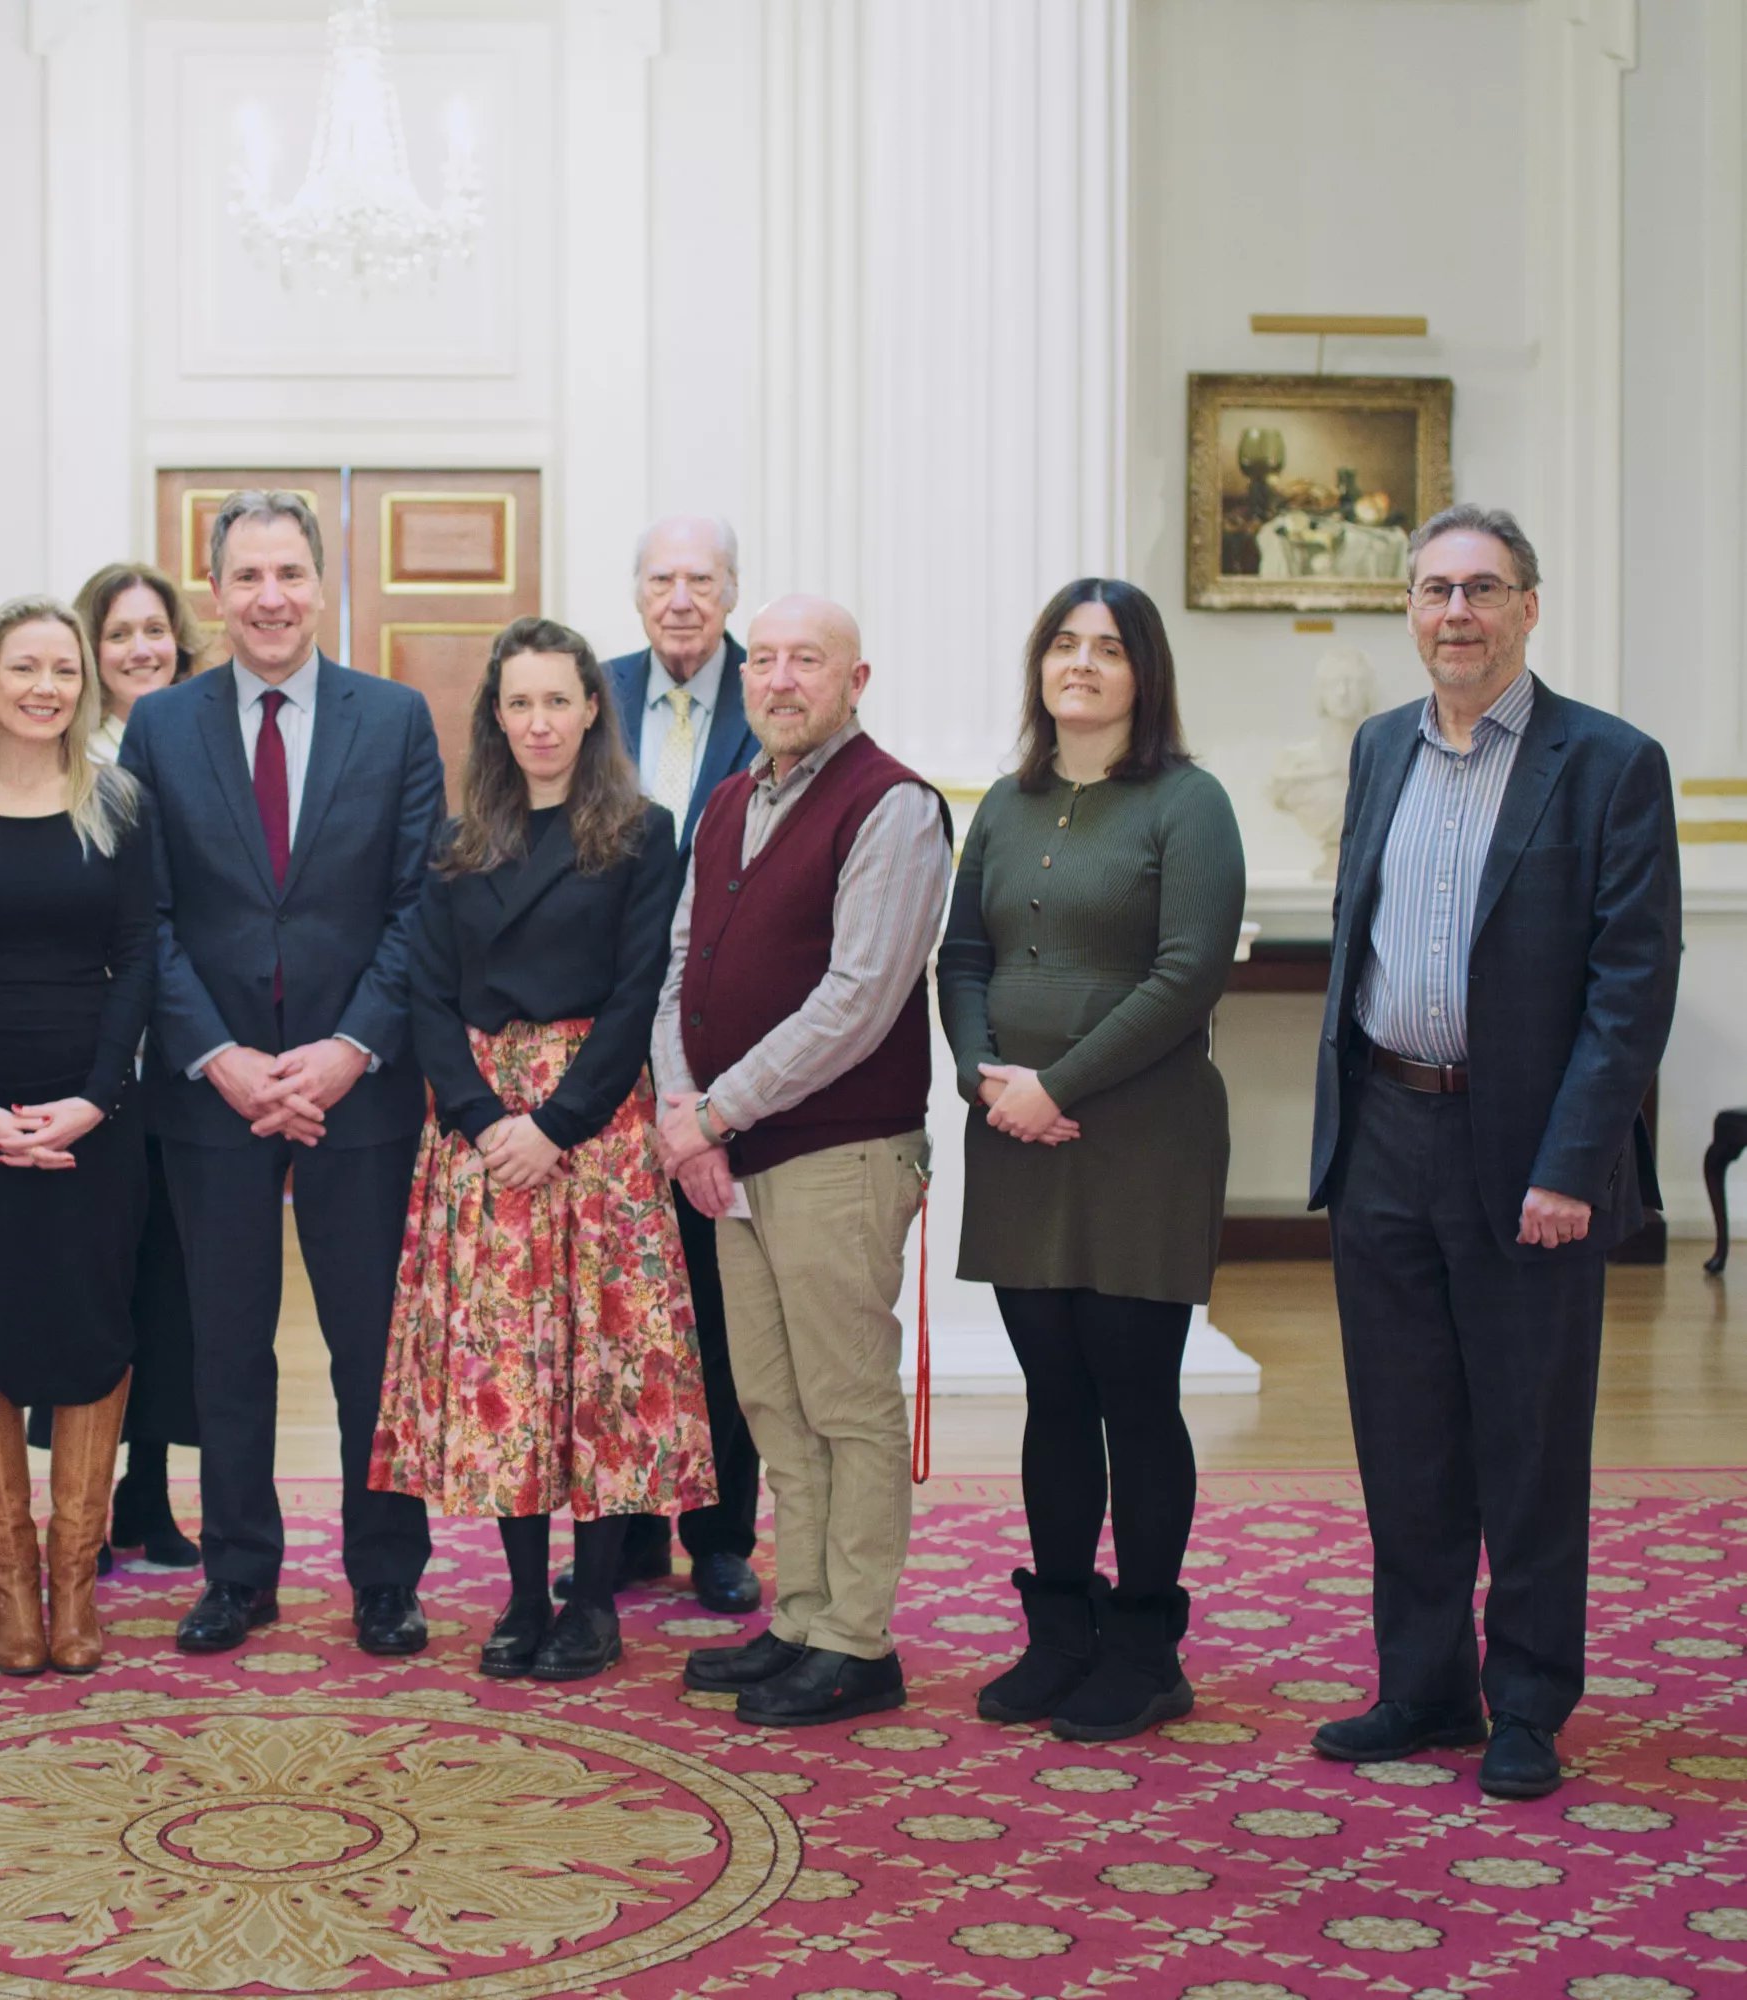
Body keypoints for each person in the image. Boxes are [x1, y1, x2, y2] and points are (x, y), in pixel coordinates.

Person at [1306, 506, 1681, 1799]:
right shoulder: (1376, 750)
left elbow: (1630, 989)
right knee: (1404, 1443)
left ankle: (1526, 1702)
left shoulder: (1610, 762)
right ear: (1408, 611)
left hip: (1529, 1153)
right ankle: (1422, 1688)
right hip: (1387, 1141)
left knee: (1525, 1446)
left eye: (1481, 588)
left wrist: (1577, 1164)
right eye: (1432, 590)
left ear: (1529, 606)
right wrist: (1347, 1143)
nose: (1454, 612)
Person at [117, 490, 443, 1657]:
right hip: (213, 1092)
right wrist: (221, 1056)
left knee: (370, 1345)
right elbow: (144, 917)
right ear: (214, 590)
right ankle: (237, 1571)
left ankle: (385, 1575)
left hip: (358, 1088)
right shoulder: (158, 728)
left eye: (290, 573)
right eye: (247, 575)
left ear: (322, 582)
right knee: (225, 1341)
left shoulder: (396, 718)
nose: (269, 597)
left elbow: (417, 908)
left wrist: (348, 1048)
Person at [370, 616, 712, 1681]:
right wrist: (480, 1117)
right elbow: (426, 990)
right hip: (481, 1133)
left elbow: (636, 995)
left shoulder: (642, 833)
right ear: (495, 716)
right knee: (511, 1372)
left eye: (556, 699)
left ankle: (596, 1599)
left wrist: (555, 1123)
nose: (538, 722)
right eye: (517, 703)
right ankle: (523, 1596)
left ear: (591, 707)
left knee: (600, 1365)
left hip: (591, 1131)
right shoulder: (460, 838)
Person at [938, 578, 1246, 1743]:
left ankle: (1145, 1647)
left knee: (1133, 1388)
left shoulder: (1188, 800)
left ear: (1142, 673)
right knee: (1052, 1390)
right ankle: (1058, 1630)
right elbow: (958, 957)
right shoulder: (1007, 805)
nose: (1081, 663)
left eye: (1107, 648)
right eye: (1063, 643)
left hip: (1139, 1135)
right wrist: (984, 1078)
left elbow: (1186, 976)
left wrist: (1054, 1086)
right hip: (1015, 1129)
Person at [655, 595, 953, 1727]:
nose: (781, 678)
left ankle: (857, 1639)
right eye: (765, 659)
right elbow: (684, 963)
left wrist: (713, 1112)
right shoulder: (730, 798)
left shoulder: (893, 806)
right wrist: (685, 1107)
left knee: (846, 1397)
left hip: (838, 1150)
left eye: (807, 660)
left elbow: (860, 997)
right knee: (770, 1397)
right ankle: (801, 1614)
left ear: (855, 677)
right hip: (730, 1153)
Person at [0, 596, 155, 1675]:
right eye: (24, 667)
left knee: (94, 1335)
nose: (45, 686)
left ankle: (75, 1589)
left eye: (62, 668)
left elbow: (141, 956)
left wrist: (94, 1098)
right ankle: (12, 1589)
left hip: (95, 1115)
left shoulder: (119, 800)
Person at [570, 515, 765, 1617]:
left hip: (724, 1045)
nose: (680, 596)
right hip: (599, 1041)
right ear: (636, 592)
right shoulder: (592, 691)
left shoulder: (774, 692)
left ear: (731, 591)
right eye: (661, 578)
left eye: (701, 578)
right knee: (615, 1306)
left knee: (715, 1301)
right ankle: (627, 1532)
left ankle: (719, 1534)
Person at [19, 562, 206, 1574]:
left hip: (176, 1064)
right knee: (84, 1289)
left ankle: (148, 1492)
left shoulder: (195, 739)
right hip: (82, 1062)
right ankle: (76, 1508)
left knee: (165, 1290)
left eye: (154, 630)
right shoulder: (61, 753)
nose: (140, 647)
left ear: (180, 641)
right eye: (119, 632)